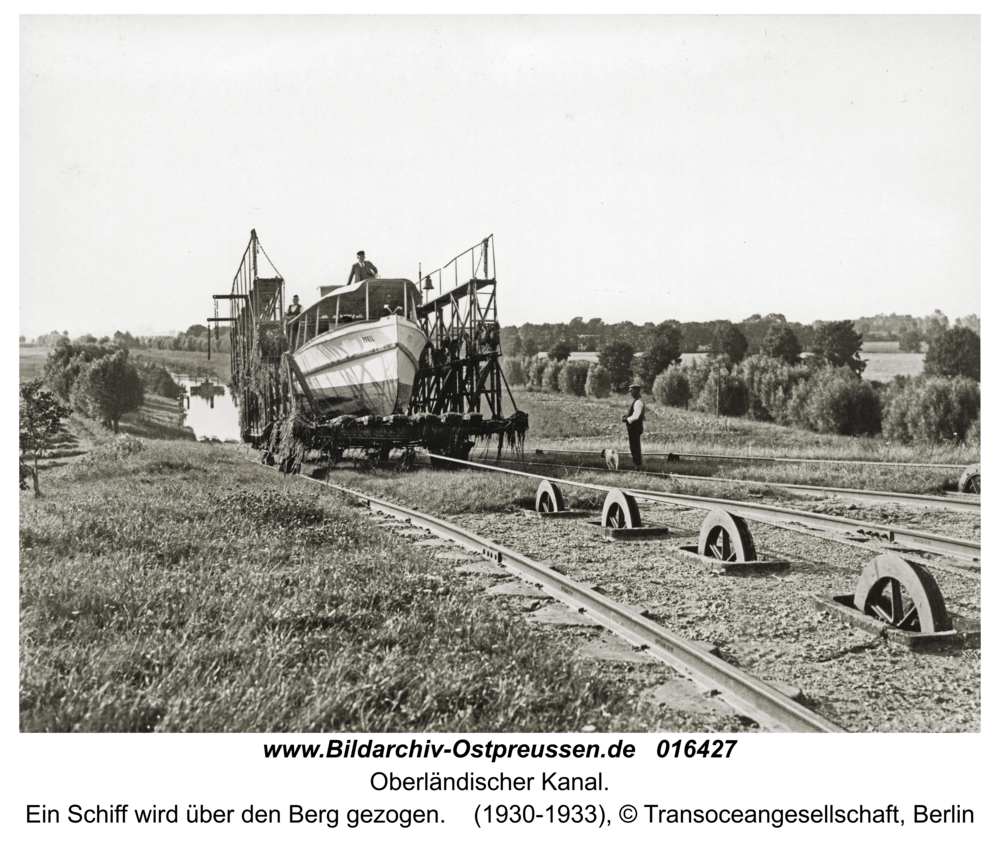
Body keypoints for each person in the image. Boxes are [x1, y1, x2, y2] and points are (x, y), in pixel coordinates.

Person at [621, 382, 645, 468]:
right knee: (635, 447)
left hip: (634, 428)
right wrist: (628, 416)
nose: (630, 393)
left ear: (636, 391)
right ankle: (637, 464)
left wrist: (626, 419)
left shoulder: (638, 402)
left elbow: (635, 416)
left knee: (635, 448)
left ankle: (637, 465)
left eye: (631, 391)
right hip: (635, 428)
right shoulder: (639, 401)